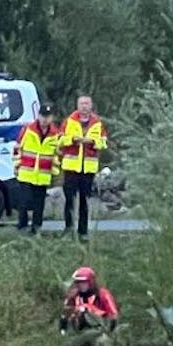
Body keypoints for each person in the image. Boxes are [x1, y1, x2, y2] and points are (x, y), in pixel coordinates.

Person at [57, 95, 108, 241]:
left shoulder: (97, 123)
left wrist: (92, 141)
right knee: (69, 199)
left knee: (84, 201)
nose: (84, 106)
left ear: (91, 106)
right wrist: (72, 140)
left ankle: (83, 232)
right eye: (81, 103)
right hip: (71, 167)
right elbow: (59, 140)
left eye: (87, 103)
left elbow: (104, 143)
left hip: (88, 168)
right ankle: (68, 229)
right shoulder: (69, 121)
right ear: (77, 105)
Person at [12, 103, 60, 234]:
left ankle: (36, 228)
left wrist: (55, 171)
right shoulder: (28, 130)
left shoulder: (55, 134)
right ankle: (22, 225)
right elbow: (18, 149)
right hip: (26, 172)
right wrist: (16, 167)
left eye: (48, 116)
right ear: (38, 116)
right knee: (24, 201)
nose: (45, 119)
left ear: (52, 118)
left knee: (39, 204)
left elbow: (57, 154)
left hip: (43, 174)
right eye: (43, 116)